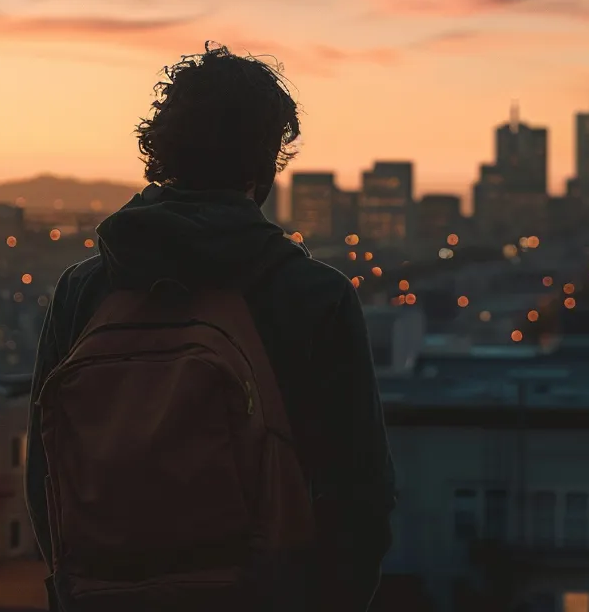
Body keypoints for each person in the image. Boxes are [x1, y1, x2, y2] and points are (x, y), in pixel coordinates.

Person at [26, 43, 396, 611]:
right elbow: (358, 493)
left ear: (161, 152)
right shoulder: (313, 296)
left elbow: (44, 475)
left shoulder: (88, 289)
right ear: (266, 163)